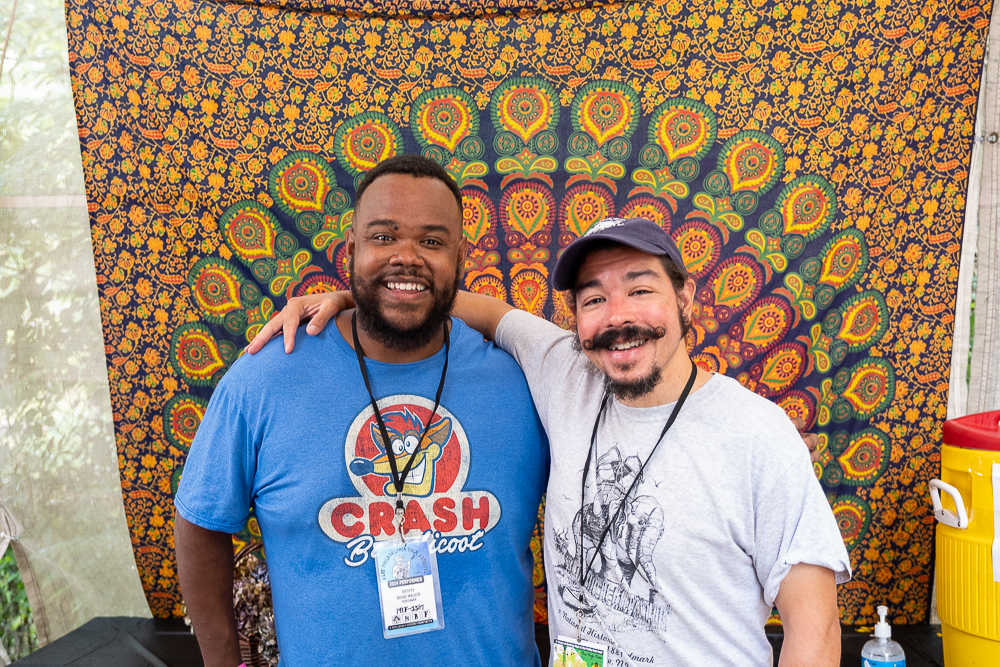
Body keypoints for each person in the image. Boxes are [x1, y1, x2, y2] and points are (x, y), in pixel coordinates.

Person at [252, 216, 852, 666]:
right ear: (575, 318)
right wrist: (366, 298)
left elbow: (814, 625)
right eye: (594, 298)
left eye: (640, 289)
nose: (618, 316)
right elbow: (473, 307)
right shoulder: (565, 370)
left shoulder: (755, 433)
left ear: (686, 298)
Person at [174, 155, 549, 667]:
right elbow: (201, 520)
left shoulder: (524, 380)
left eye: (432, 242)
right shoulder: (265, 376)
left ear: (461, 259)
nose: (407, 257)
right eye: (384, 237)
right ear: (351, 250)